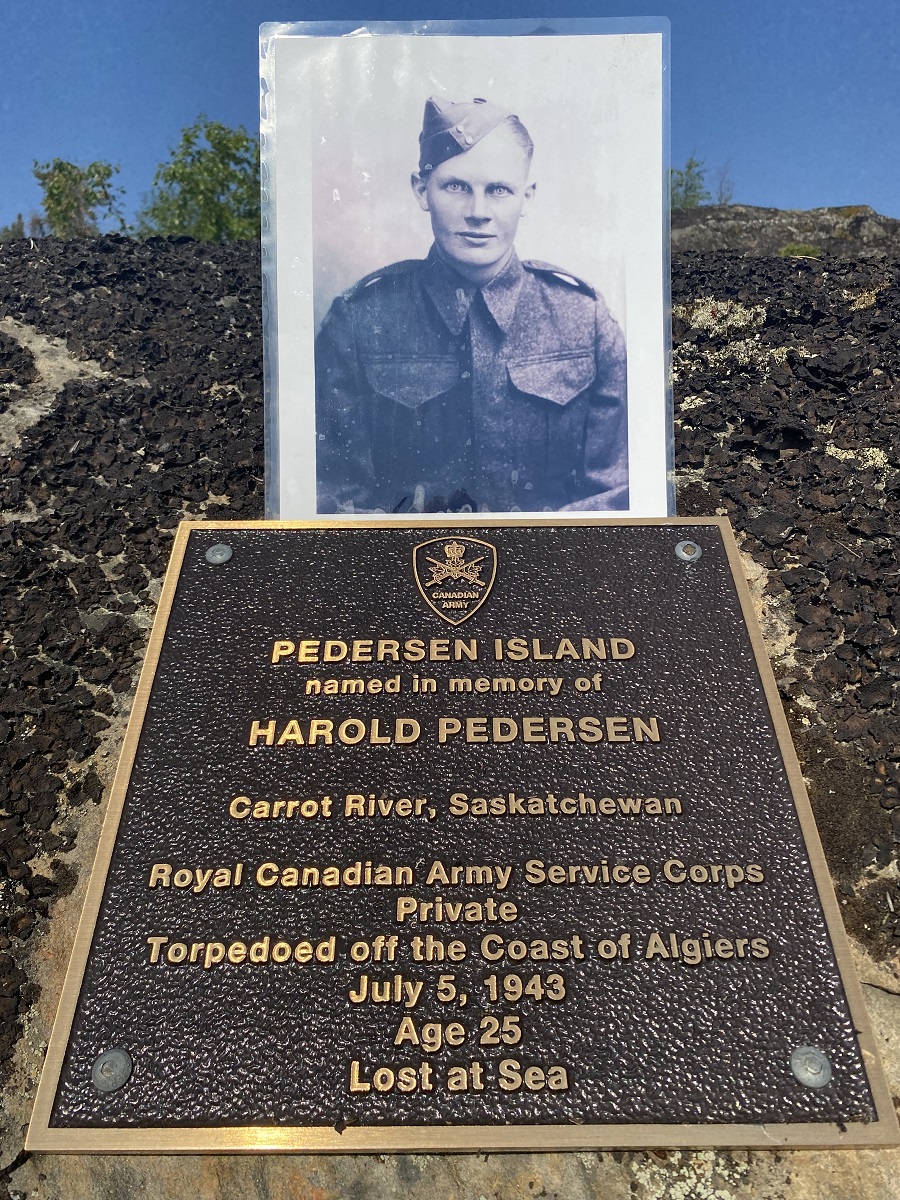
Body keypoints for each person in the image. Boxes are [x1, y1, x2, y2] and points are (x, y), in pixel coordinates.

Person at [315, 95, 628, 514]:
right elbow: (333, 493)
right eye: (456, 186)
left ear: (527, 197)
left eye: (498, 189)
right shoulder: (358, 319)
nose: (478, 212)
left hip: (552, 567)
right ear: (421, 189)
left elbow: (615, 494)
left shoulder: (583, 319)